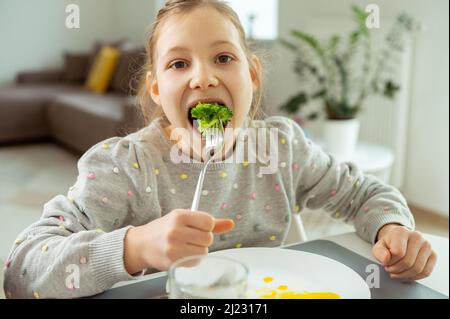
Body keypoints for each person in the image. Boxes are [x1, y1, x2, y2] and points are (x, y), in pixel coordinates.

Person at [3, 0, 436, 299]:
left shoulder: (282, 147)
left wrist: (392, 229)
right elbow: (21, 272)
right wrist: (133, 247)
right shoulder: (125, 165)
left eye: (223, 58)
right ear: (156, 89)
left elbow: (365, 196)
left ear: (252, 74)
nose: (202, 78)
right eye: (178, 64)